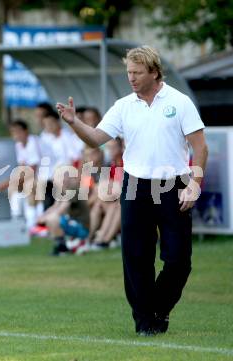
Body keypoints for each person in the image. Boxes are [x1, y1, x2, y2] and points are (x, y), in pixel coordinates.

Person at [56, 45, 208, 336]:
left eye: (137, 72)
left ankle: (158, 308)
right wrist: (74, 122)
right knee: (136, 257)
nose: (131, 78)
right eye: (128, 72)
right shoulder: (124, 105)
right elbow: (96, 138)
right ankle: (144, 322)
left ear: (154, 72)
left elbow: (200, 148)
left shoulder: (180, 101)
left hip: (173, 186)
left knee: (178, 260)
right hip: (135, 186)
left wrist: (194, 184)